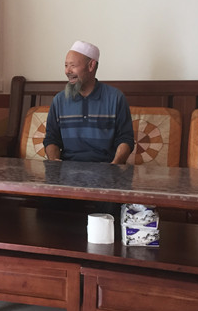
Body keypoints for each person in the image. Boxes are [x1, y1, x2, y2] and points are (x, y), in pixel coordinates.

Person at [42, 40, 134, 214]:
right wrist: (54, 162)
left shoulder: (115, 98)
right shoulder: (59, 100)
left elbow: (126, 138)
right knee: (46, 202)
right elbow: (52, 138)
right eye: (66, 66)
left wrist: (115, 165)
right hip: (67, 170)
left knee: (111, 205)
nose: (67, 71)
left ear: (91, 65)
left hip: (105, 171)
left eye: (73, 65)